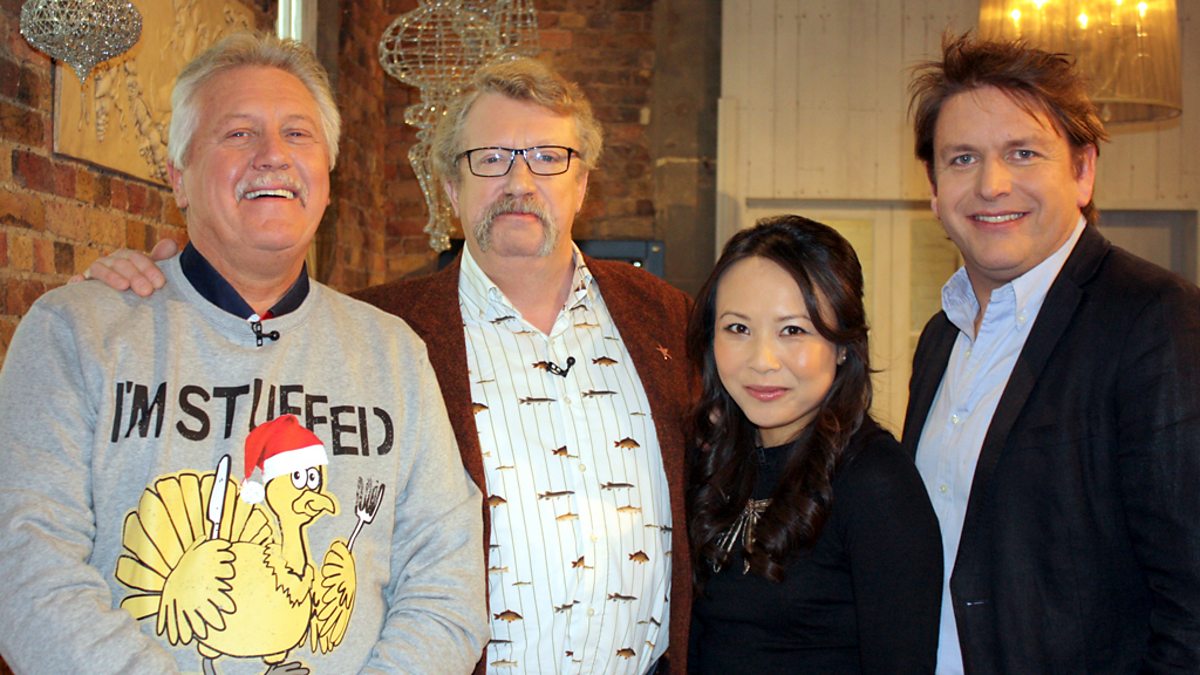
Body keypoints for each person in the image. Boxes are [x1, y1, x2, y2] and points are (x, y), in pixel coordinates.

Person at [78, 56, 694, 674]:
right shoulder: (386, 335)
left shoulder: (666, 318)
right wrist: (157, 292)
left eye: (547, 157)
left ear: (582, 184)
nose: (519, 180)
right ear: (450, 187)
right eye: (490, 158)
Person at [0, 33, 487, 674]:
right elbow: (26, 568)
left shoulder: (392, 353)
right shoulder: (76, 332)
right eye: (238, 133)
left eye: (297, 134)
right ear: (179, 177)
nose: (273, 156)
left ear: (328, 179)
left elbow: (446, 583)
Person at [904, 34, 1200, 673]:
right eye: (962, 158)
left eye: (1023, 152)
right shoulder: (940, 339)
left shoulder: (1155, 319)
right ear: (933, 189)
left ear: (1083, 170)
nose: (992, 184)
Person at [686, 215, 941, 673]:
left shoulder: (874, 480)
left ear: (843, 345)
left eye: (793, 330)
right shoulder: (713, 461)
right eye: (738, 329)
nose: (763, 361)